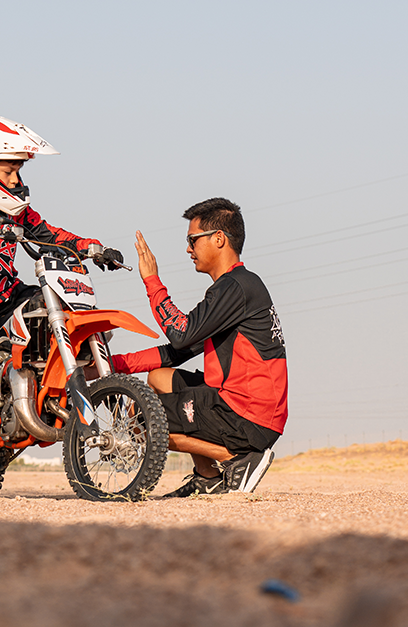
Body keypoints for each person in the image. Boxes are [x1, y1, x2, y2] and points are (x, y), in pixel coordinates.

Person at [0, 112, 122, 499]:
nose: (17, 179)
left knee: (57, 308)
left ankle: (58, 386)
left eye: (18, 171)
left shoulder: (16, 210)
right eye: (10, 170)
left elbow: (50, 234)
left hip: (11, 294)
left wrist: (92, 247)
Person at [111, 198, 287, 497]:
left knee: (139, 417)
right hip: (246, 406)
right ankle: (207, 477)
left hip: (247, 416)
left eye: (193, 240)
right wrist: (112, 365)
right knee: (158, 378)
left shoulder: (236, 287)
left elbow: (180, 335)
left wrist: (152, 281)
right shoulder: (234, 287)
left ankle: (237, 461)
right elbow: (178, 350)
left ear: (219, 238)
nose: (188, 249)